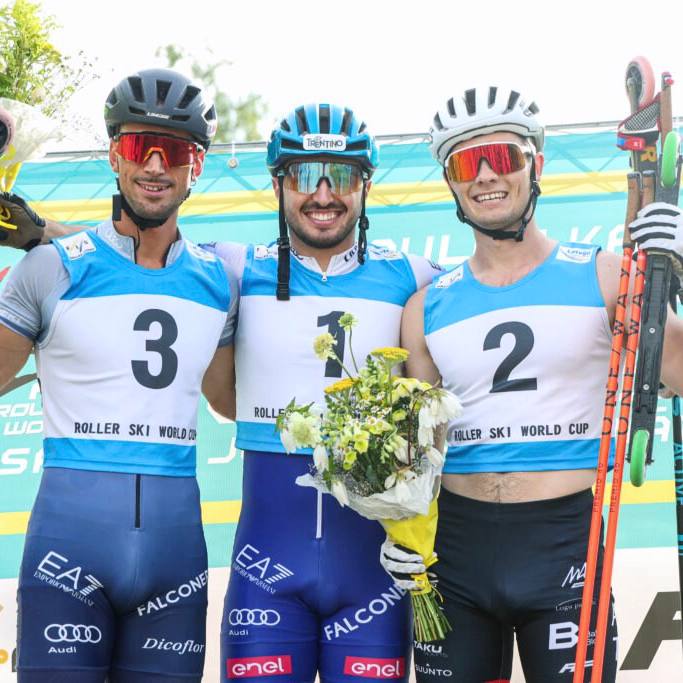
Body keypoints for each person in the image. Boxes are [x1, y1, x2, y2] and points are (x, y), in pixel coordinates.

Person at [381, 86, 683, 682]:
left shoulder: (607, 276)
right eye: (467, 163)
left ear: (535, 164)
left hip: (565, 544)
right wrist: (398, 525)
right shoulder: (424, 308)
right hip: (454, 553)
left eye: (503, 156)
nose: (486, 176)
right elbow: (418, 454)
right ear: (450, 183)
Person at [0, 68, 238, 683]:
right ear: (114, 155)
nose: (155, 165)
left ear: (197, 166)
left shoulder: (222, 280)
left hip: (175, 564)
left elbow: (230, 402)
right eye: (139, 145)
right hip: (65, 557)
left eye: (175, 151)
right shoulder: (47, 271)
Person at [205, 103, 443, 683]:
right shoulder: (236, 268)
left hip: (375, 577)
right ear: (278, 185)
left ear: (366, 185)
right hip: (264, 572)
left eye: (342, 176)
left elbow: (505, 286)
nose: (324, 193)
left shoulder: (415, 276)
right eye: (305, 175)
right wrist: (41, 233)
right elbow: (138, 249)